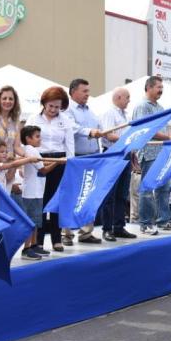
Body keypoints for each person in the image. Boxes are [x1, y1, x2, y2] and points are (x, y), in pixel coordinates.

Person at [26, 86, 74, 251]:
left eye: (57, 107)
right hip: (39, 159)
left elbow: (70, 146)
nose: (53, 110)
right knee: (40, 200)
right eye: (50, 106)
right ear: (44, 103)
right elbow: (26, 142)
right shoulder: (33, 118)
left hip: (60, 160)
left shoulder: (65, 120)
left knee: (56, 201)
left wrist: (69, 164)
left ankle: (56, 238)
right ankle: (37, 240)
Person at [133, 76, 171, 235]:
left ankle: (163, 221)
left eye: (162, 88)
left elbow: (165, 129)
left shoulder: (160, 107)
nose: (161, 90)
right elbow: (146, 130)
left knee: (163, 188)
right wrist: (168, 137)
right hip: (149, 152)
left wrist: (170, 136)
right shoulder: (142, 106)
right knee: (147, 189)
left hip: (162, 152)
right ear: (149, 87)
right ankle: (145, 223)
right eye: (158, 87)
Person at [63, 78, 102, 246]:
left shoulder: (91, 112)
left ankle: (86, 232)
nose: (88, 94)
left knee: (88, 195)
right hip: (75, 157)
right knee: (71, 195)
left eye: (88, 90)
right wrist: (91, 132)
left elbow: (98, 129)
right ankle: (66, 233)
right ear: (73, 92)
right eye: (84, 91)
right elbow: (72, 128)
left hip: (92, 156)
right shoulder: (66, 110)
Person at [99, 87, 137, 242]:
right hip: (112, 154)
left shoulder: (126, 116)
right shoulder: (109, 113)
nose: (129, 100)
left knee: (122, 193)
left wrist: (131, 147)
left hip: (125, 154)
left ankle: (119, 227)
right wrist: (127, 141)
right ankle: (107, 229)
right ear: (119, 97)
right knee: (109, 194)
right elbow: (108, 134)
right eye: (127, 97)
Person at [18, 126, 55, 259]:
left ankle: (34, 245)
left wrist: (55, 160)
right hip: (31, 193)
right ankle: (26, 248)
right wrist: (58, 163)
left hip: (38, 192)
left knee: (36, 221)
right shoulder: (30, 150)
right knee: (31, 222)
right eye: (37, 136)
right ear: (28, 139)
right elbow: (43, 170)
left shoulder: (34, 151)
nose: (40, 139)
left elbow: (42, 163)